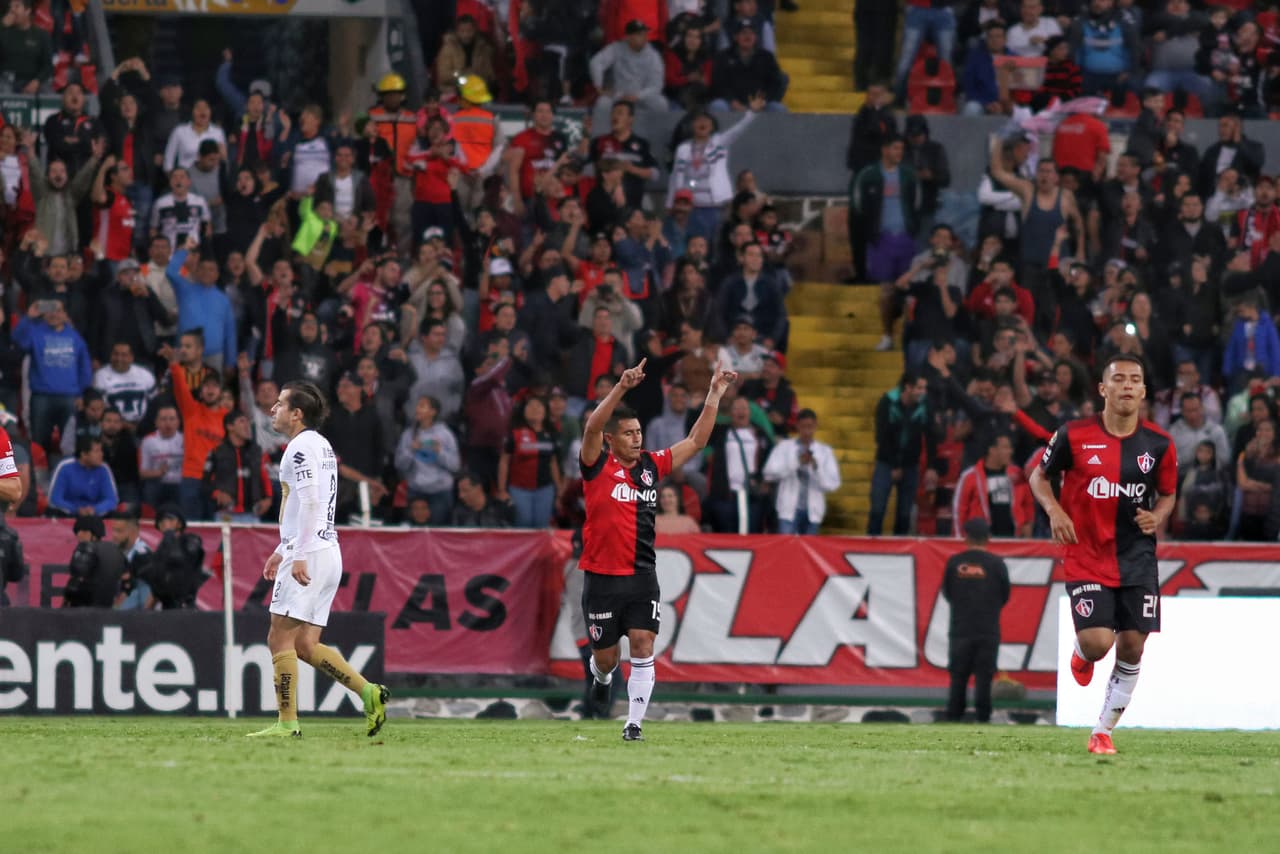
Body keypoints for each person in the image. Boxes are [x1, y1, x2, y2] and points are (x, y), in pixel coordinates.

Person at [1029, 355, 1178, 755]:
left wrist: (1159, 516)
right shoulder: (1073, 435)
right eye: (1119, 379)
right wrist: (1055, 510)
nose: (1127, 385)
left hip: (1137, 556)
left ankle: (1102, 732)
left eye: (1135, 380)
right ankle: (1082, 652)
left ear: (1144, 391)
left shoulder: (1159, 444)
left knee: (1132, 646)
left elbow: (1168, 492)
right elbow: (1038, 476)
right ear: (1103, 389)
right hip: (1087, 553)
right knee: (1098, 643)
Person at [580, 359, 736, 740]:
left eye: (639, 432)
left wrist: (714, 394)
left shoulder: (652, 465)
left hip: (641, 577)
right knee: (607, 658)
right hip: (601, 578)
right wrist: (621, 387)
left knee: (643, 643)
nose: (637, 438)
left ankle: (633, 724)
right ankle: (601, 675)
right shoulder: (595, 465)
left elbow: (696, 441)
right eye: (629, 433)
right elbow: (591, 426)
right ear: (611, 440)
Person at [249, 381, 390, 739]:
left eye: (280, 404)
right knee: (305, 645)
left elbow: (310, 501)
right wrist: (284, 548)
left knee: (278, 638)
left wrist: (295, 554)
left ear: (297, 414)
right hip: (327, 551)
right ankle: (368, 692)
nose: (272, 410)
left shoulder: (298, 449)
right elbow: (306, 505)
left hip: (310, 554)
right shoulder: (321, 445)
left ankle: (287, 724)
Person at [941, 518, 1011, 723]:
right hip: (988, 628)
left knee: (958, 675)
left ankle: (954, 714)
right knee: (984, 676)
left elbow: (948, 592)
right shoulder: (997, 564)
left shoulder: (955, 563)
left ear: (967, 537)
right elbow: (1005, 594)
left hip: (960, 627)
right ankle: (983, 716)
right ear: (988, 538)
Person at [762, 408, 840, 534]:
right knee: (786, 549)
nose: (807, 431)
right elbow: (769, 473)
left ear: (815, 426)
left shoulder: (825, 451)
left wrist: (816, 467)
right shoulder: (784, 447)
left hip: (813, 512)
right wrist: (797, 462)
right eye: (803, 426)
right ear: (797, 426)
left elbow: (832, 484)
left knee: (808, 551)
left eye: (810, 426)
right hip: (788, 511)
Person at [48, 437, 119, 518]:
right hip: (69, 513)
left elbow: (112, 500)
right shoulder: (64, 467)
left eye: (101, 450)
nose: (101, 454)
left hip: (95, 515)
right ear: (84, 454)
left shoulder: (103, 469)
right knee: (52, 511)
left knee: (117, 515)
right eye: (97, 451)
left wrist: (95, 510)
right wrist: (76, 510)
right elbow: (54, 499)